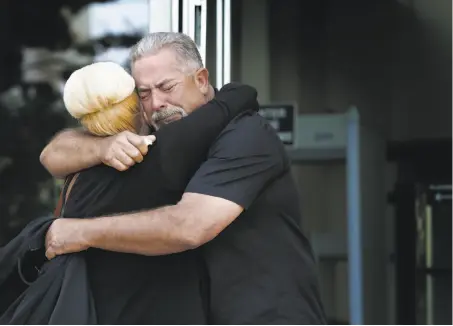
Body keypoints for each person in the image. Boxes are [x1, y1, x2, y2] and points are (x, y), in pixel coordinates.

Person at [40, 32, 326, 324]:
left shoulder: (246, 135)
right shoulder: (157, 138)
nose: (156, 103)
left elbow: (189, 226)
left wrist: (79, 233)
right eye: (144, 93)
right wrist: (103, 147)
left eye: (167, 87)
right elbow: (53, 154)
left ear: (201, 80)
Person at [2, 60, 258, 324]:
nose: (156, 102)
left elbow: (50, 154)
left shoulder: (82, 172)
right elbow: (220, 112)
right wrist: (239, 92)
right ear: (135, 104)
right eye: (144, 93)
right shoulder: (158, 156)